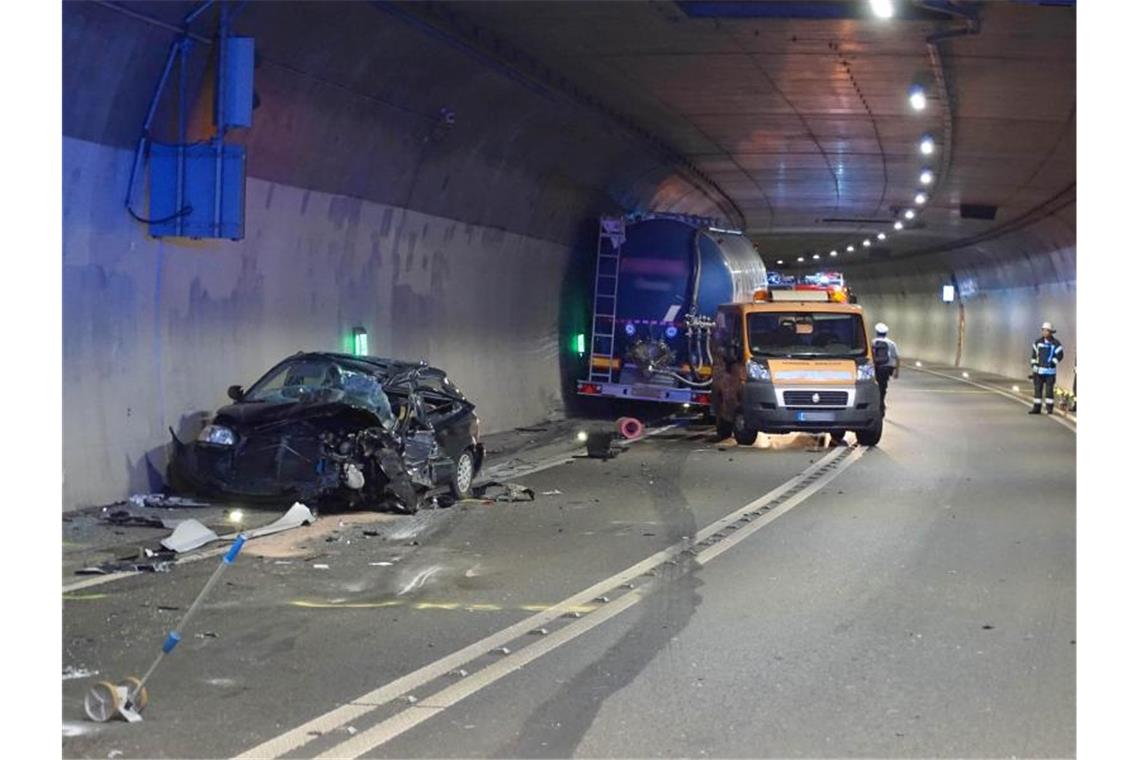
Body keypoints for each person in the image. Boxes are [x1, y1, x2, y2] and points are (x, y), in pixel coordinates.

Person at [1028, 321, 1064, 414]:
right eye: (1043, 330)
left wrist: (1053, 362)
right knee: (1037, 390)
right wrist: (1034, 365)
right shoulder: (1037, 343)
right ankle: (1037, 408)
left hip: (1050, 372)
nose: (1044, 332)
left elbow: (1060, 355)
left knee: (1049, 390)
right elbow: (1033, 356)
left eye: (1046, 331)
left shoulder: (1056, 343)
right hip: (1038, 372)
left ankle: (1049, 408)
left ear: (1051, 332)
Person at [871, 322, 900, 414]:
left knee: (875, 386)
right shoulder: (891, 343)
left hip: (876, 368)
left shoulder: (872, 342)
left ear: (876, 332)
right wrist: (896, 371)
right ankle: (881, 403)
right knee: (883, 386)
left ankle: (876, 403)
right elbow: (897, 357)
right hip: (887, 368)